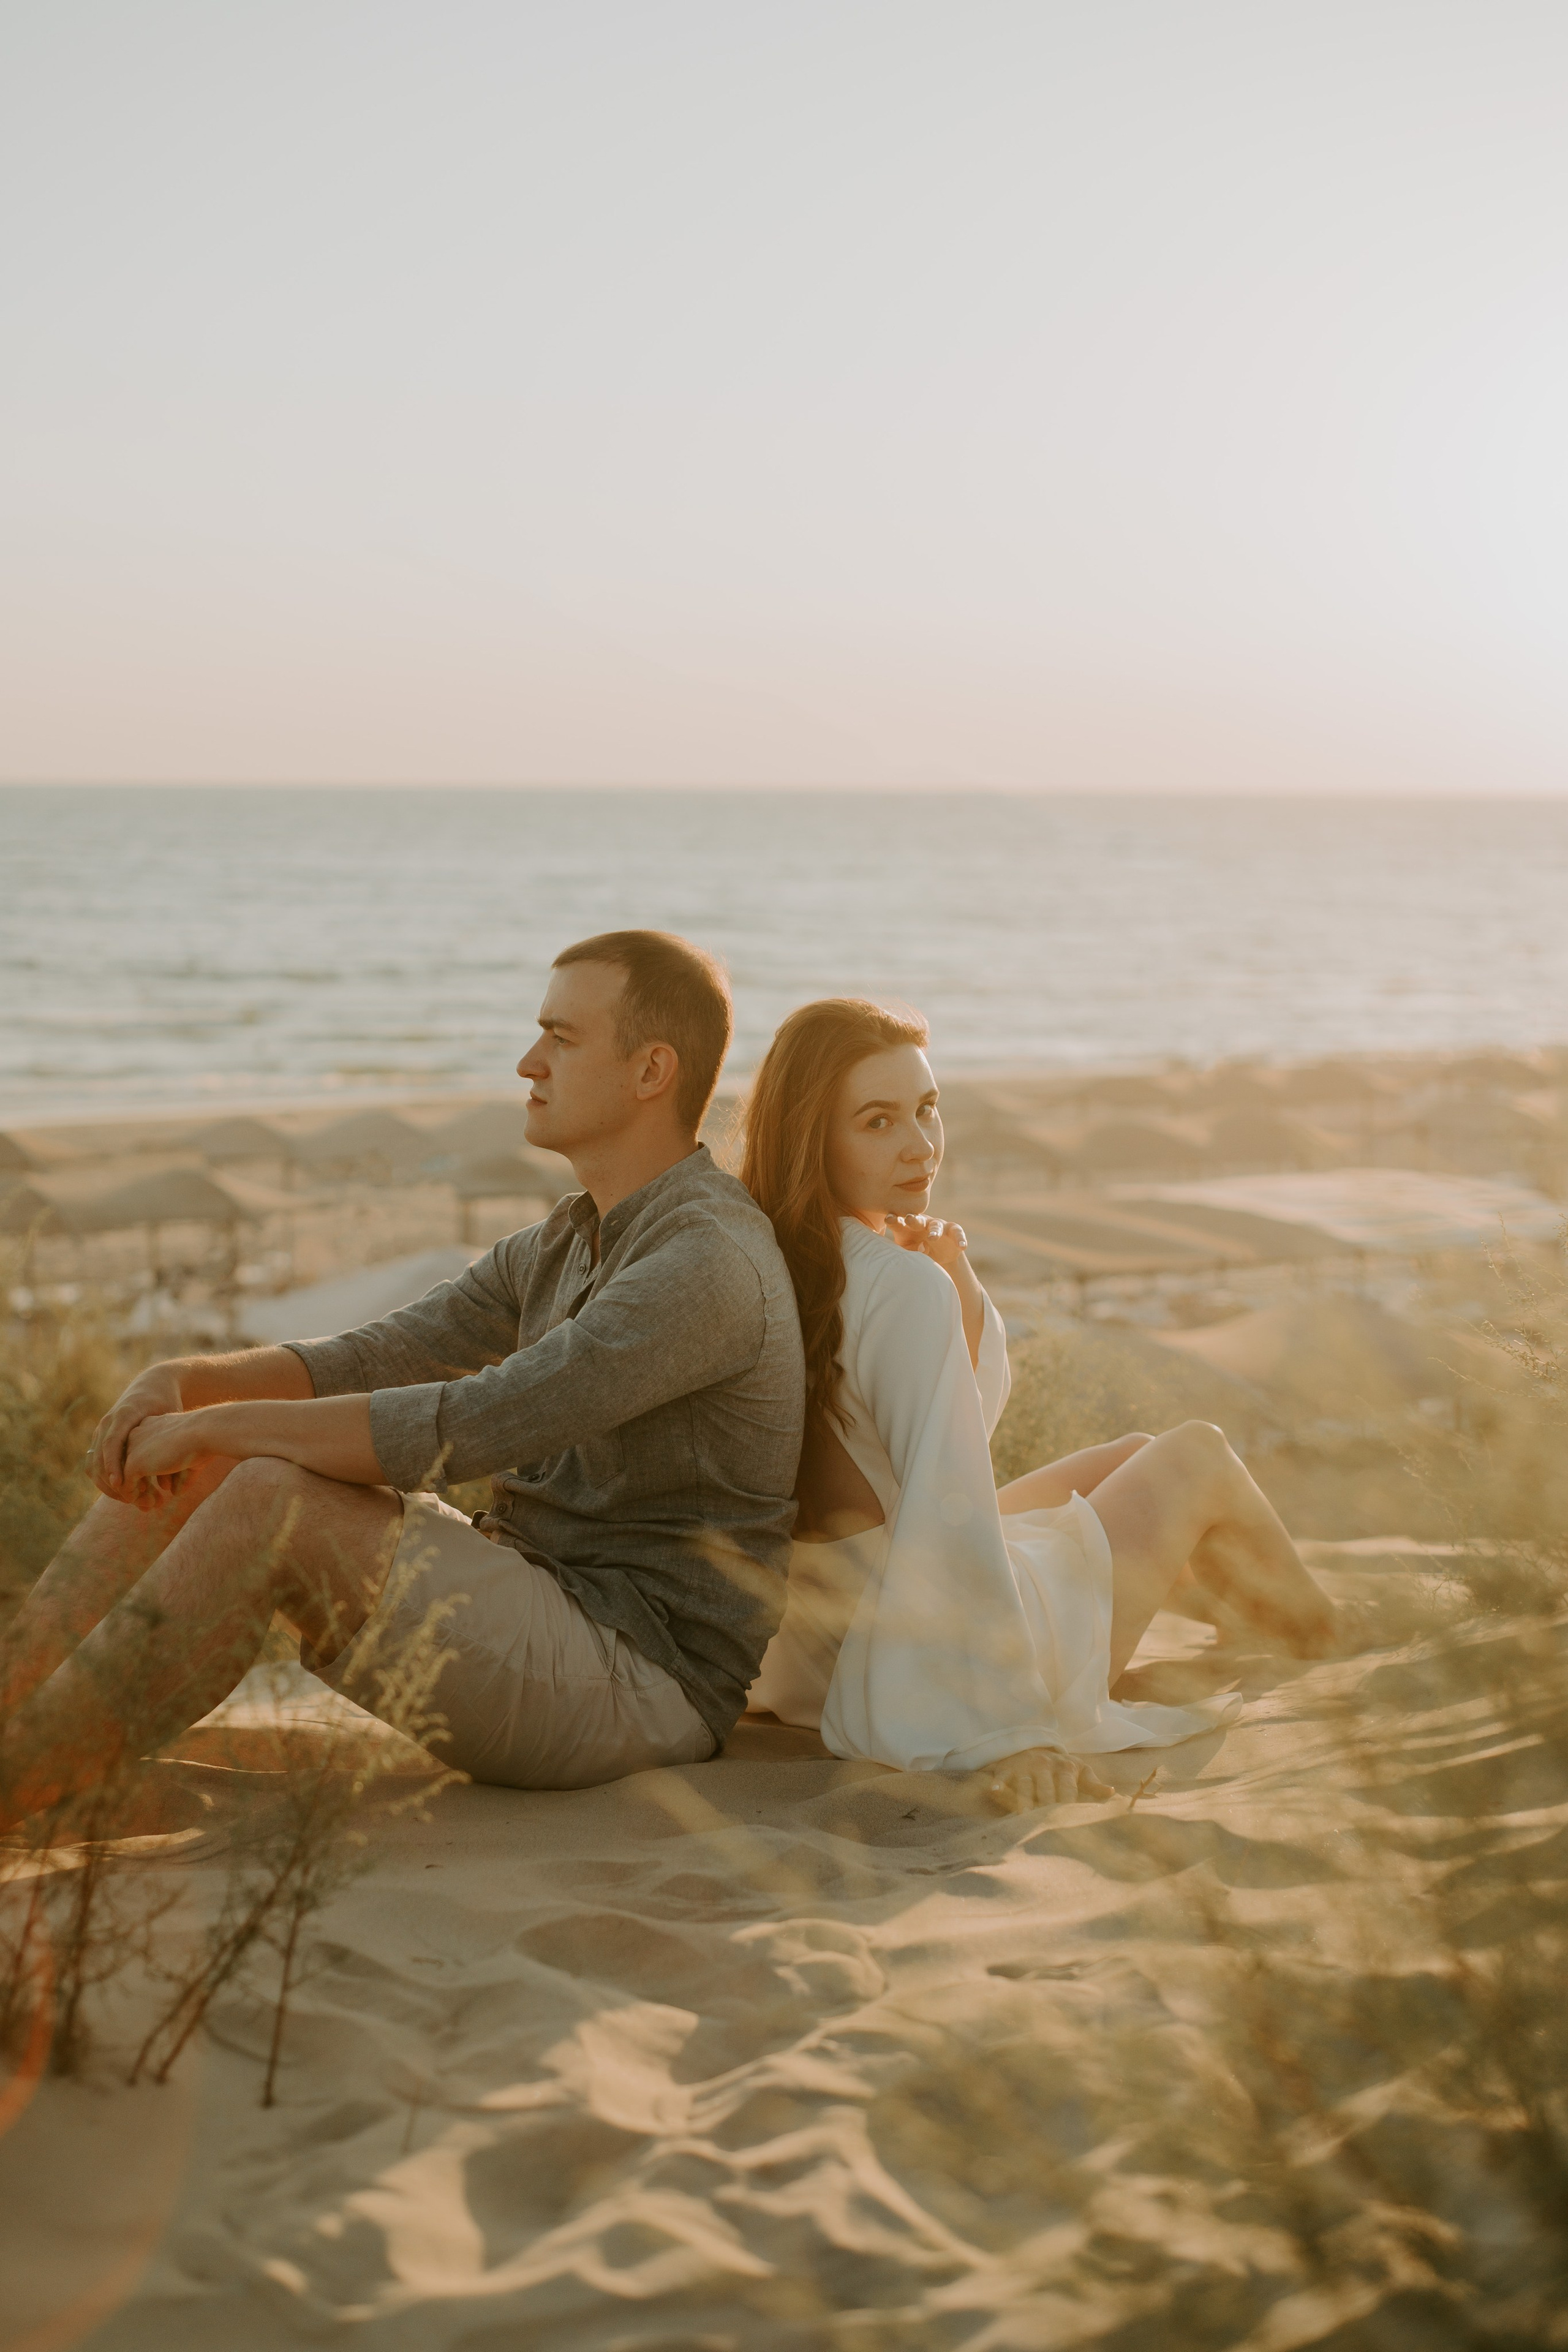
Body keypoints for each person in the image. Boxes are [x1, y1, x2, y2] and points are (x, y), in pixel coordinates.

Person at [0, 932, 805, 1830]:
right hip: (535, 1603)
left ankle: (22, 1784)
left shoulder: (705, 1261)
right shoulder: (574, 1235)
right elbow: (384, 1354)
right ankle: (15, 1738)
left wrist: (221, 1428)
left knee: (270, 1495)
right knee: (221, 1463)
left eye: (562, 1039)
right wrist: (184, 1382)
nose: (527, 1061)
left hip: (640, 1682)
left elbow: (477, 1421)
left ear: (651, 1070)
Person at [741, 998, 1345, 1814]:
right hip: (926, 1655)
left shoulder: (774, 1255)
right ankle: (1320, 1631)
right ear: (814, 1135)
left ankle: (1255, 1612)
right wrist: (1012, 1729)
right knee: (1198, 1452)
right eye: (877, 1122)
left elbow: (932, 1437)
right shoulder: (894, 1284)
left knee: (1131, 1451)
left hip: (824, 1653)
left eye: (926, 1110)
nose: (920, 1145)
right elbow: (949, 1494)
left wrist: (953, 1281)